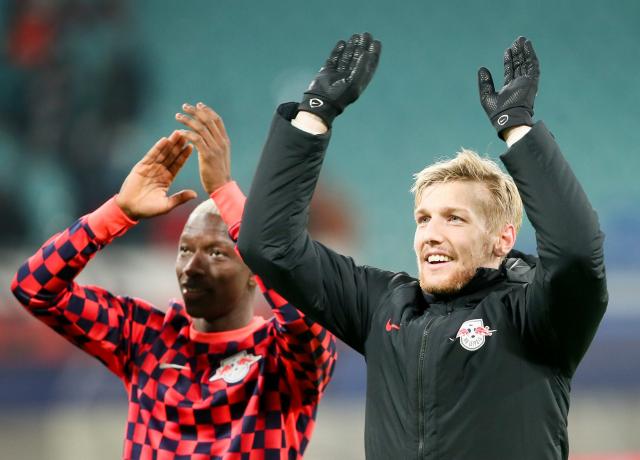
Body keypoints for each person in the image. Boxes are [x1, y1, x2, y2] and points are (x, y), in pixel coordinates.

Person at [237, 33, 608, 459]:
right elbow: (269, 244)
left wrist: (519, 131)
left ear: (503, 238)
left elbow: (578, 252)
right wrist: (313, 115)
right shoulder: (383, 306)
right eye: (423, 219)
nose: (431, 232)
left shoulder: (536, 315)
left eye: (454, 218)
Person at [11, 103, 337, 459]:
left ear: (254, 275)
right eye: (184, 250)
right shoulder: (148, 337)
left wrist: (225, 192)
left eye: (215, 253)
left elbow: (307, 315)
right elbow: (34, 287)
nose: (191, 266)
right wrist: (119, 211)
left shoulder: (283, 358)